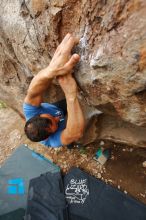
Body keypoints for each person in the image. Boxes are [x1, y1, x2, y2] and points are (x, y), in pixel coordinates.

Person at [23, 33, 85, 147]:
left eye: (51, 118)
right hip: (66, 135)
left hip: (56, 107)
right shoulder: (51, 141)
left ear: (37, 115)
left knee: (77, 105)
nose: (57, 118)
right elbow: (75, 133)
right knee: (70, 140)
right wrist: (70, 94)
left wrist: (52, 70)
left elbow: (33, 91)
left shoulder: (30, 112)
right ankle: (71, 146)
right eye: (55, 123)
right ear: (49, 135)